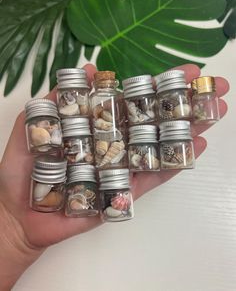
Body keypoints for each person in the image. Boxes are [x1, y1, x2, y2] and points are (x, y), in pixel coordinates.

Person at [0, 63, 229, 290]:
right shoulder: (90, 109)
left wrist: (14, 236)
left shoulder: (114, 104)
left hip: (115, 151)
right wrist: (11, 229)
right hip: (95, 157)